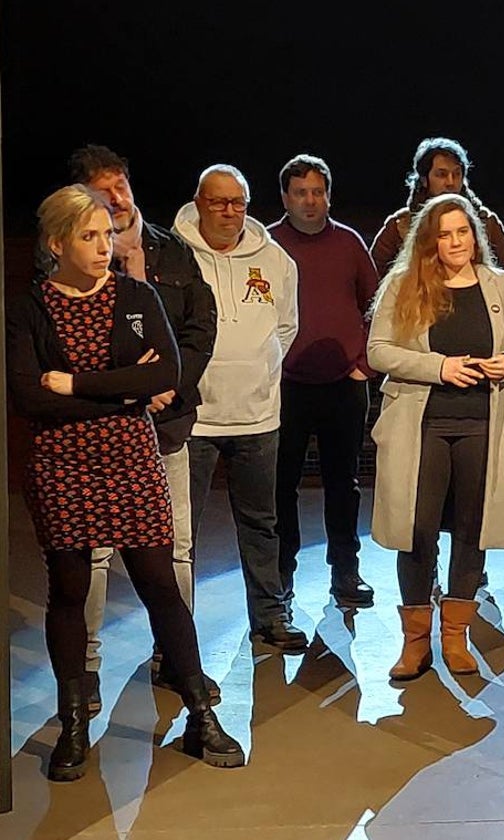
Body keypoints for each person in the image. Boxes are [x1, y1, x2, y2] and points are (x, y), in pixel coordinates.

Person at [6, 185, 244, 781]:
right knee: (68, 589)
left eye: (108, 234)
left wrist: (74, 383)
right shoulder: (28, 308)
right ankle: (73, 722)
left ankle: (199, 713)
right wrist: (121, 388)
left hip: (130, 459)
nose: (103, 246)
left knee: (160, 583)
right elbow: (29, 394)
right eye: (89, 236)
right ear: (58, 243)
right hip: (61, 463)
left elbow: (167, 371)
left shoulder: (136, 295)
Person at [66, 145, 220, 708]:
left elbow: (202, 327)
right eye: (105, 192)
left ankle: (175, 660)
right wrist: (128, 390)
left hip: (168, 423)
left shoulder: (171, 250)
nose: (119, 199)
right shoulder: (67, 261)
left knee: (176, 549)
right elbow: (66, 345)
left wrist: (170, 385)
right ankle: (84, 671)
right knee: (96, 552)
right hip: (102, 430)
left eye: (123, 185)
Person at [368, 193, 504, 681]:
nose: (455, 241)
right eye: (444, 234)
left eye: (462, 231)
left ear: (475, 236)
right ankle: (415, 642)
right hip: (422, 425)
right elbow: (378, 350)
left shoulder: (498, 285)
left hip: (483, 424)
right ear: (429, 241)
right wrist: (438, 367)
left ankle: (455, 637)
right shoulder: (404, 286)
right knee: (416, 532)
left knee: (471, 529)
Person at [173, 165, 308, 650]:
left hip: (258, 417)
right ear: (199, 202)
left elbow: (286, 327)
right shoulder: (175, 255)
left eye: (238, 202)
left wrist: (262, 371)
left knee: (261, 521)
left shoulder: (275, 259)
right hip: (194, 419)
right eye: (218, 202)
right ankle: (175, 634)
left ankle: (270, 616)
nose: (229, 212)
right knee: (179, 536)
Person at [269, 154, 378, 610]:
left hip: (343, 383)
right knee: (281, 485)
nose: (310, 201)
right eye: (301, 193)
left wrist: (363, 365)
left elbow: (377, 306)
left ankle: (345, 571)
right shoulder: (266, 245)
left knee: (343, 483)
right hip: (284, 387)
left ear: (328, 195)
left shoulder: (350, 243)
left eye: (318, 192)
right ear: (285, 198)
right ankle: (281, 575)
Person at [370, 136, 504, 294]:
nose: (451, 182)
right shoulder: (400, 224)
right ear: (424, 179)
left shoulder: (485, 221)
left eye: (457, 174)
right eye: (441, 174)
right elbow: (371, 275)